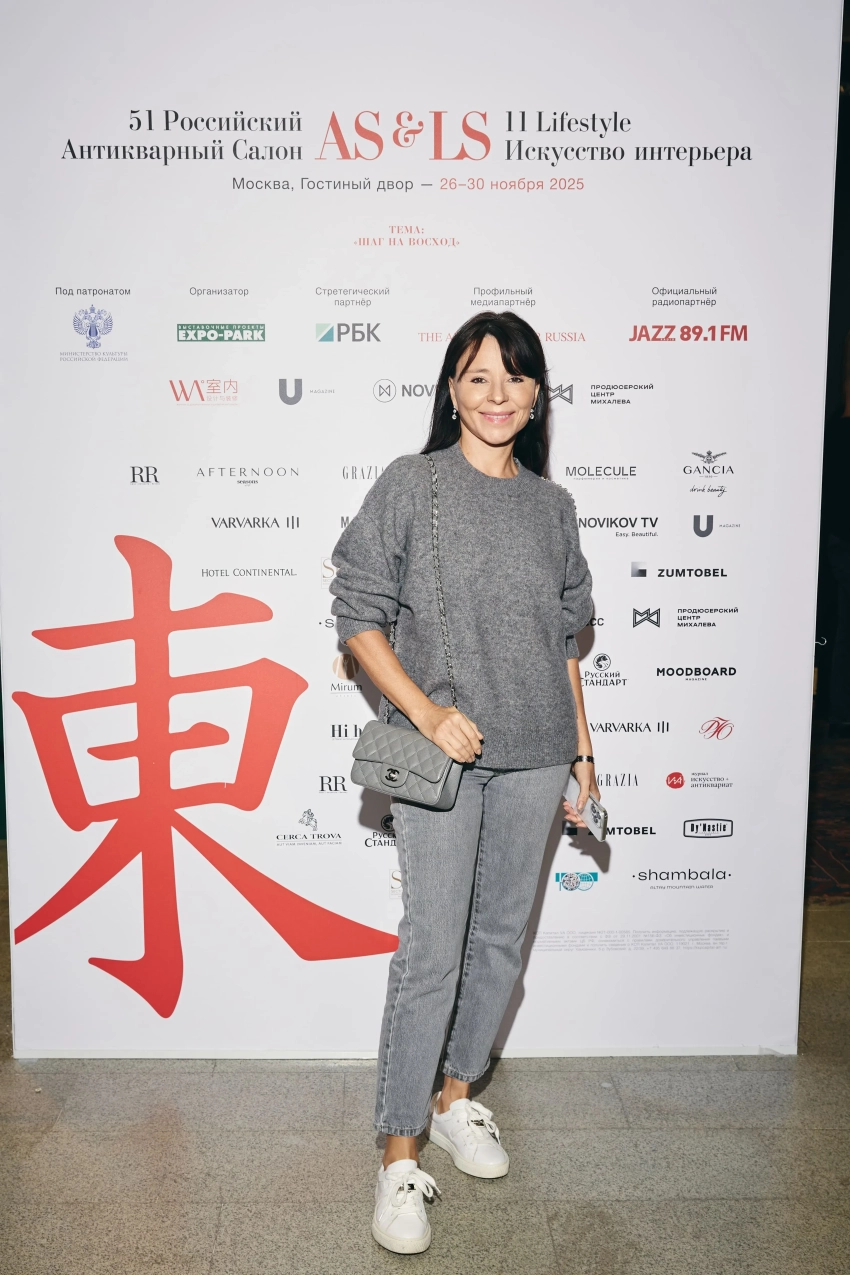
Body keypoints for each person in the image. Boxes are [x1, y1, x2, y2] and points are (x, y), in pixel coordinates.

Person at [330, 310, 598, 1254]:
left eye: (514, 378)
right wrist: (426, 711)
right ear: (451, 390)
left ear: (536, 396)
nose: (496, 395)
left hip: (536, 750)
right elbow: (357, 613)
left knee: (498, 945)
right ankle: (399, 1153)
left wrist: (582, 750)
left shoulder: (552, 507)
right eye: (477, 376)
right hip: (440, 753)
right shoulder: (414, 485)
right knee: (432, 949)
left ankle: (454, 1098)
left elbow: (564, 641)